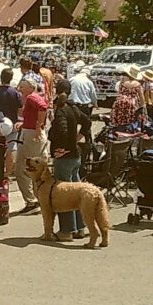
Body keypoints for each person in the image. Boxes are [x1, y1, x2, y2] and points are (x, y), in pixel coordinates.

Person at [47, 79, 89, 241]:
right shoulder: (74, 108)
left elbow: (62, 130)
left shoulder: (62, 110)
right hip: (75, 156)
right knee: (76, 194)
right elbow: (88, 122)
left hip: (64, 158)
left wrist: (62, 148)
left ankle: (66, 230)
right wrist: (77, 138)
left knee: (64, 196)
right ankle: (80, 227)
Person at [15, 75, 50, 214]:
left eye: (22, 87)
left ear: (30, 87)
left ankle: (32, 201)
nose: (20, 90)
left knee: (24, 168)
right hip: (29, 132)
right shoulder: (33, 97)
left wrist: (37, 126)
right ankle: (37, 199)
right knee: (34, 168)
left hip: (31, 136)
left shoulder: (31, 97)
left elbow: (43, 108)